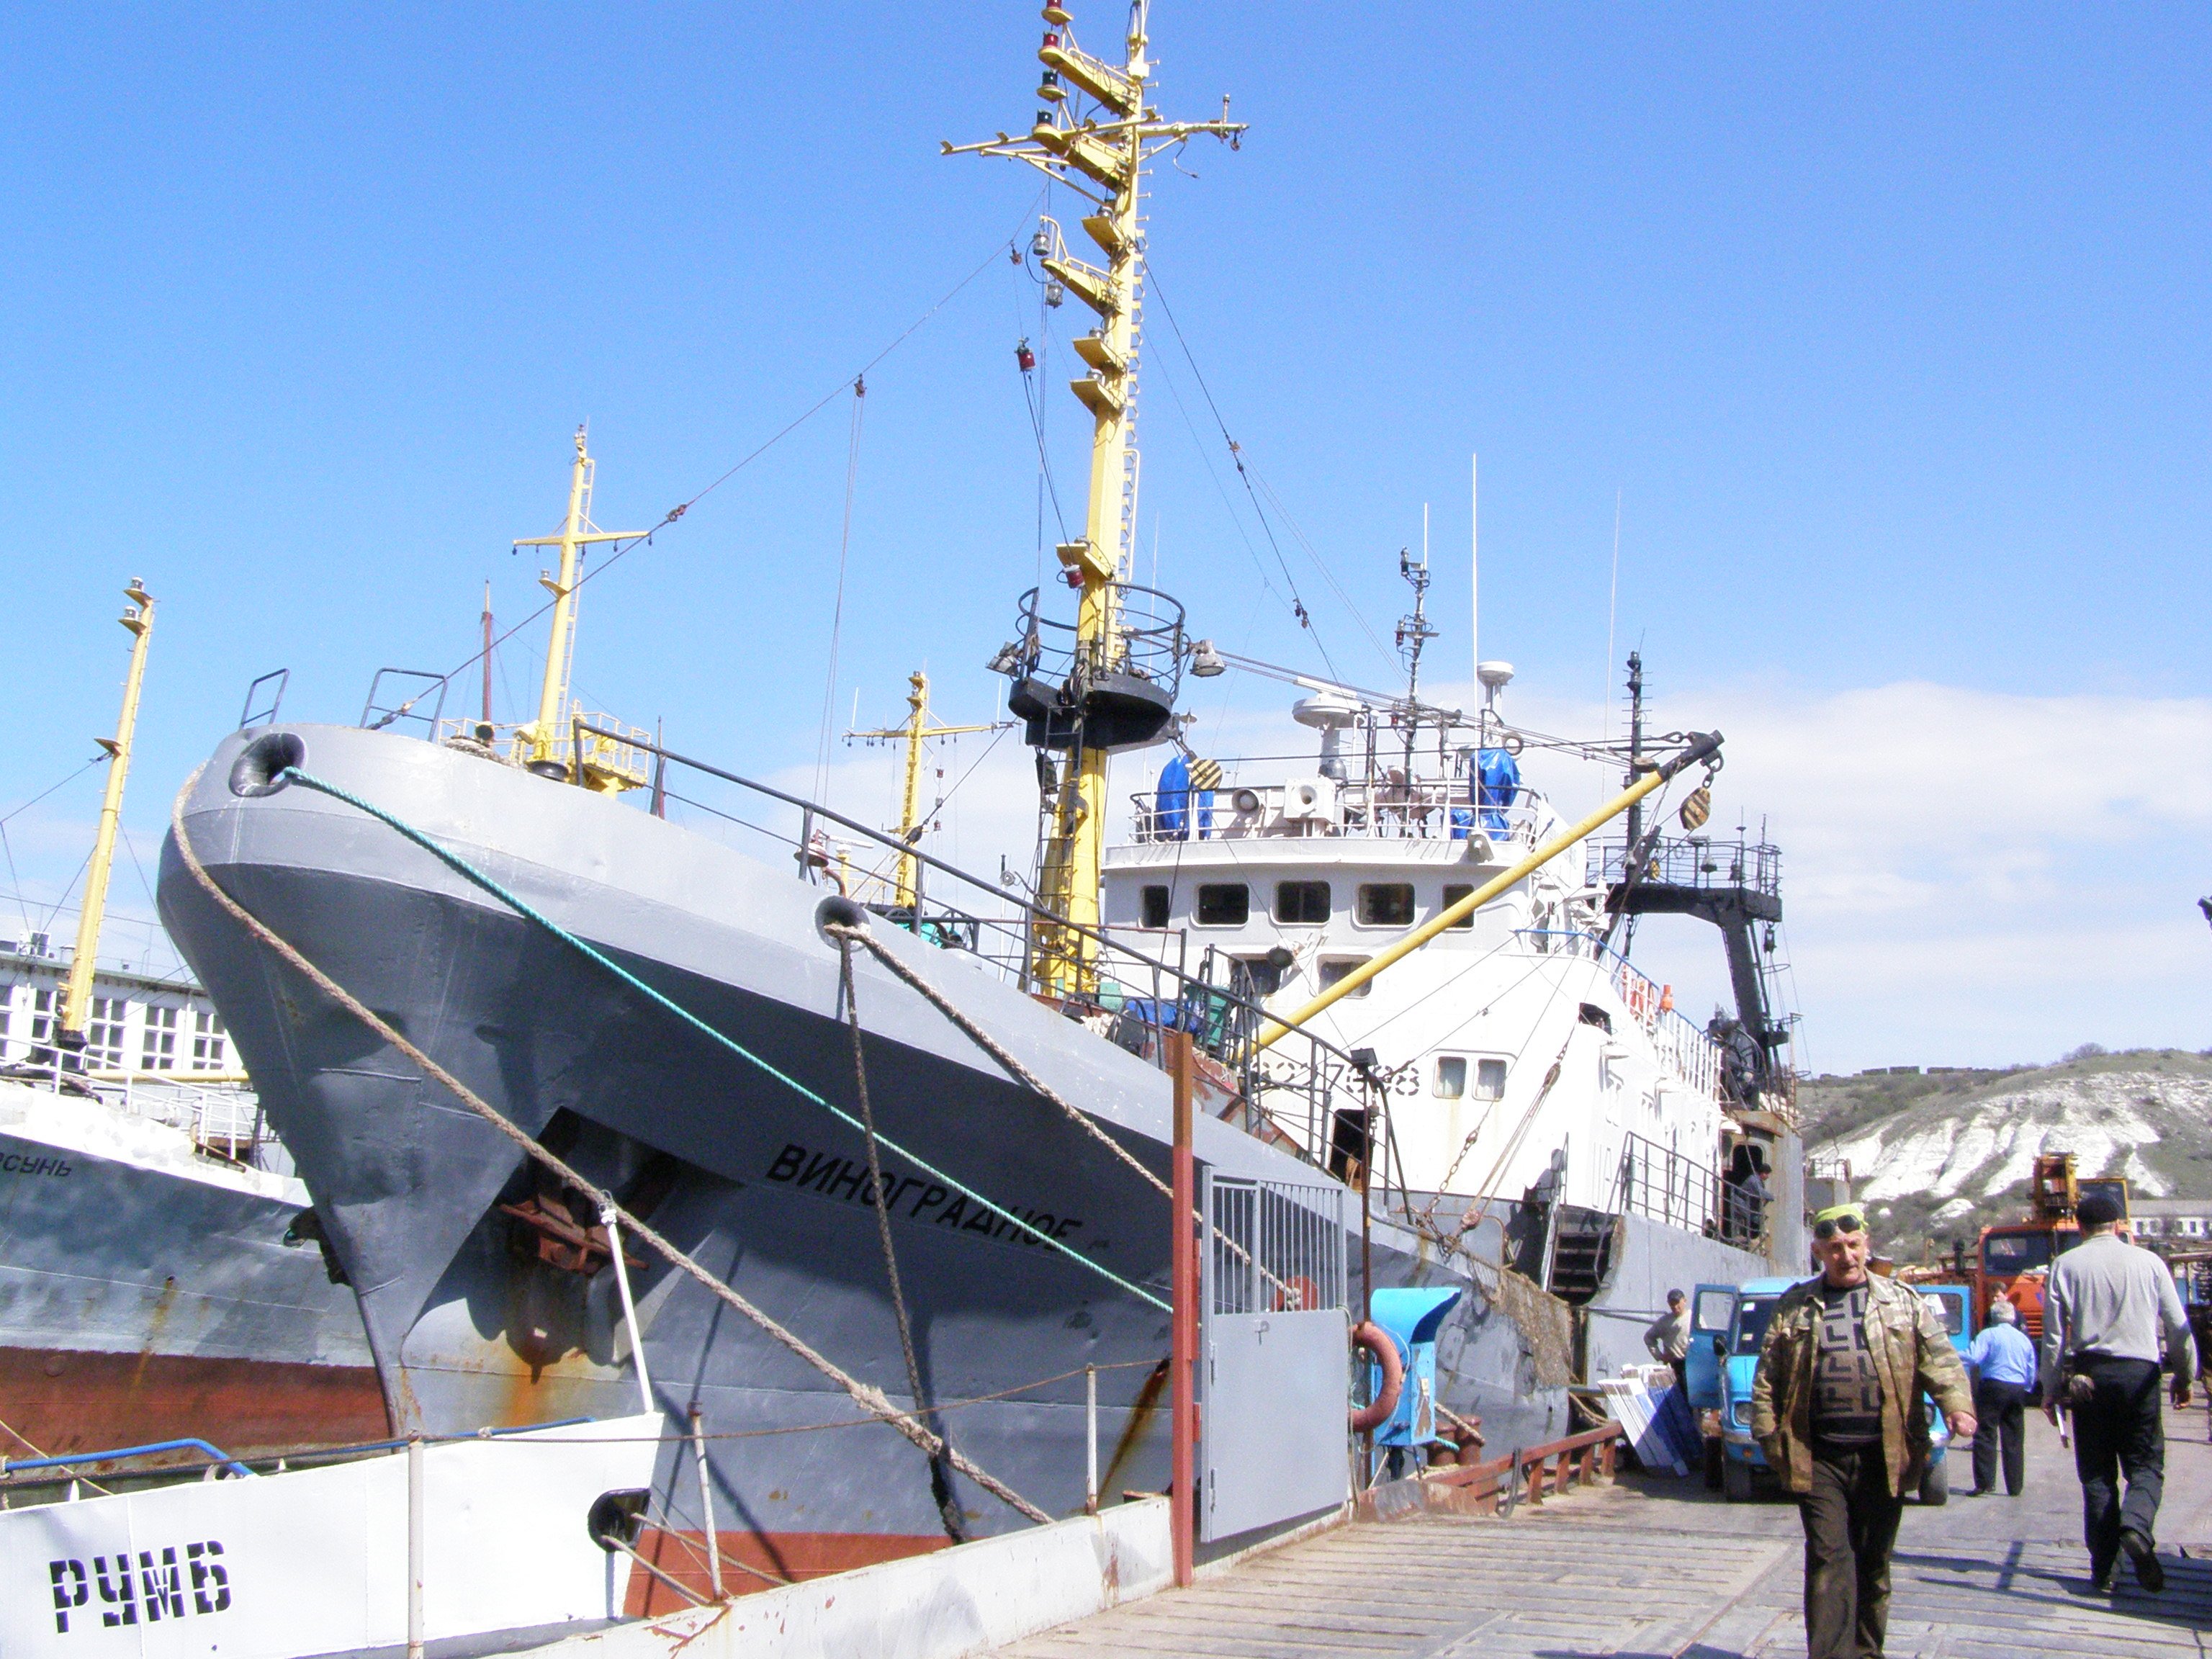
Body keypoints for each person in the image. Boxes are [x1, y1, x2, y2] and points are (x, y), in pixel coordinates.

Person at [1753, 1203, 1974, 1659]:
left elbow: (1940, 1359)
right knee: (1829, 1560)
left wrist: (1956, 1407)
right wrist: (1769, 1436)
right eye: (1834, 1248)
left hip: (1884, 1456)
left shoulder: (1902, 1301)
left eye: (1853, 1245)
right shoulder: (1795, 1305)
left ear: (1866, 1244)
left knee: (1873, 1563)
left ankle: (1868, 1652)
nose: (1846, 1256)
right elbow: (1767, 1377)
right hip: (1818, 1457)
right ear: (1818, 1252)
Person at [2041, 1190, 2198, 1594]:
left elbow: (2055, 1338)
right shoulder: (2150, 1263)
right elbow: (2178, 1326)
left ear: (2080, 1228)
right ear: (2117, 1226)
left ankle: (2104, 1570)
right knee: (2145, 1465)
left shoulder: (2064, 1265)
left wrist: (2050, 1389)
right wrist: (2184, 1377)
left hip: (2089, 1377)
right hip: (2139, 1375)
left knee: (2097, 1476)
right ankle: (2136, 1527)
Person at [1965, 1300, 2036, 1497]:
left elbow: (1973, 1357)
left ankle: (1985, 1483)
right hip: (2017, 1388)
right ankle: (2015, 1486)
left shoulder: (1988, 1334)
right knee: (2014, 1437)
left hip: (1993, 1386)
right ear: (2013, 1318)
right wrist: (2026, 1388)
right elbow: (2031, 1368)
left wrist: (1952, 1355)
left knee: (1985, 1433)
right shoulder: (2024, 1339)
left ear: (1993, 1317)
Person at [1645, 1287, 1691, 1366]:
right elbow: (1648, 1337)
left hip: (1691, 1363)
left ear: (1684, 1301)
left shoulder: (1694, 1318)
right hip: (1672, 1365)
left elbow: (1704, 1339)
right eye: (1672, 1304)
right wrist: (1660, 1356)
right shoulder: (1664, 1321)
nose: (1675, 1306)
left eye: (1677, 1303)